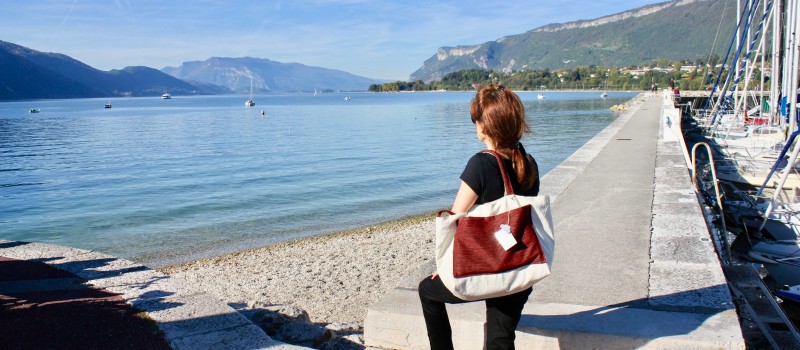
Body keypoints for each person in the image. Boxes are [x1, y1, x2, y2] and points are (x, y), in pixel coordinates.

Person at [418, 84, 540, 350]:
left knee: (428, 291)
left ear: (483, 127)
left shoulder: (481, 163)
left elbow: (452, 219)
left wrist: (445, 265)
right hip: (519, 265)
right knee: (500, 338)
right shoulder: (528, 162)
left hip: (486, 265)